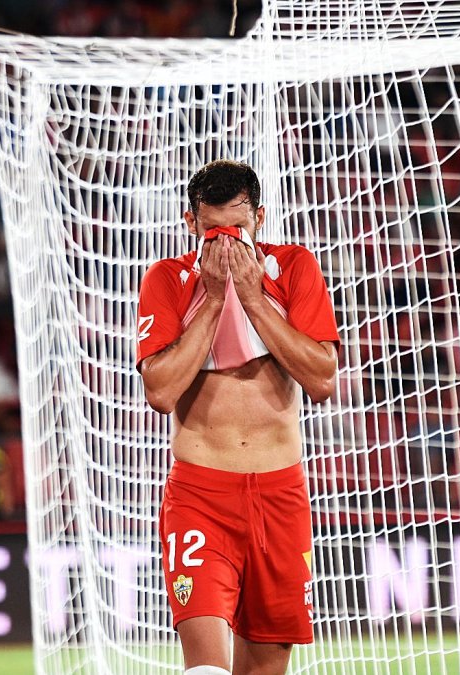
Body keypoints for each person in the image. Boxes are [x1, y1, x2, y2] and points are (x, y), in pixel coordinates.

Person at [136, 160, 339, 674]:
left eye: (238, 228)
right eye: (212, 231)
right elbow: (160, 391)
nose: (226, 242)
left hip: (280, 496)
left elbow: (321, 380)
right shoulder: (166, 279)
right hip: (201, 497)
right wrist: (213, 296)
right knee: (206, 669)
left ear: (261, 219)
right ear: (190, 224)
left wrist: (250, 295)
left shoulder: (293, 268)